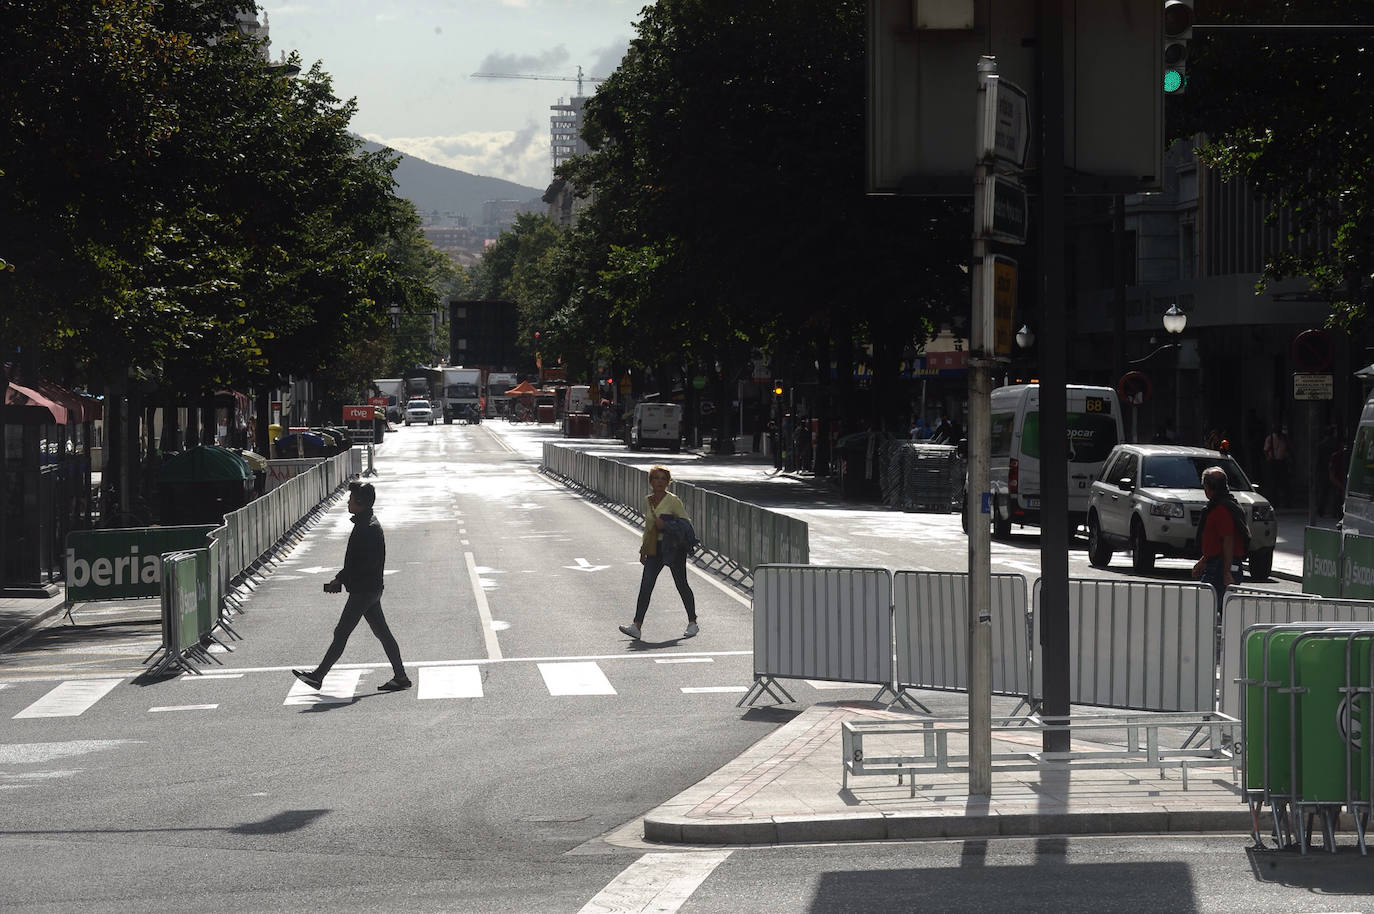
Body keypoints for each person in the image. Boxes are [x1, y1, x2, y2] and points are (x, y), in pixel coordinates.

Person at [293, 481, 410, 692]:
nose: (347, 502)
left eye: (351, 499)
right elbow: (356, 562)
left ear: (360, 503)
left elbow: (360, 564)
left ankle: (318, 676)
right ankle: (400, 677)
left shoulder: (367, 528)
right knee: (383, 634)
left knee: (342, 632)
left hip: (364, 591)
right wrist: (341, 578)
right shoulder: (366, 524)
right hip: (370, 589)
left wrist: (342, 579)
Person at [619, 465, 699, 641]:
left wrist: (667, 525)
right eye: (656, 478)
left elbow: (686, 525)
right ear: (650, 482)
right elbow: (648, 528)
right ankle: (636, 626)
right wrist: (643, 549)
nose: (660, 482)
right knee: (646, 585)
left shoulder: (673, 501)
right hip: (655, 548)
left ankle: (692, 622)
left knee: (681, 584)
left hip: (673, 548)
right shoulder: (648, 500)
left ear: (668, 482)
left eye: (663, 479)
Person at [1191, 466, 1250, 610]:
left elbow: (1228, 541)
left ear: (1208, 487)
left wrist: (1226, 571)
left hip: (1220, 566)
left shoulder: (1221, 509)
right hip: (1217, 563)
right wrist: (1203, 561)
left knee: (1207, 609)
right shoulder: (1223, 505)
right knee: (1215, 609)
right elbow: (1217, 542)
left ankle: (1221, 633)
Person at [1263, 422, 1291, 506]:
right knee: (1273, 483)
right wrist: (1268, 458)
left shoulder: (1284, 438)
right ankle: (1275, 502)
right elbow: (1265, 450)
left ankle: (1287, 502)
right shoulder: (1270, 438)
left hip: (1282, 461)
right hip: (1273, 462)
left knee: (1284, 483)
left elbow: (1288, 448)